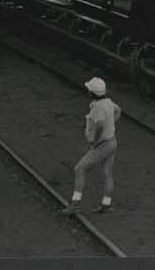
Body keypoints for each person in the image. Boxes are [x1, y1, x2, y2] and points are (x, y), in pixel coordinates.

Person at [61, 76, 121, 215]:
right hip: (112, 142)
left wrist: (95, 141)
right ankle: (106, 205)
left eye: (88, 89)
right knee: (107, 173)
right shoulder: (108, 102)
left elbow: (99, 124)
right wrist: (111, 125)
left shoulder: (97, 108)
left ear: (92, 93)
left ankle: (75, 205)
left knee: (79, 169)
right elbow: (118, 110)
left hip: (103, 145)